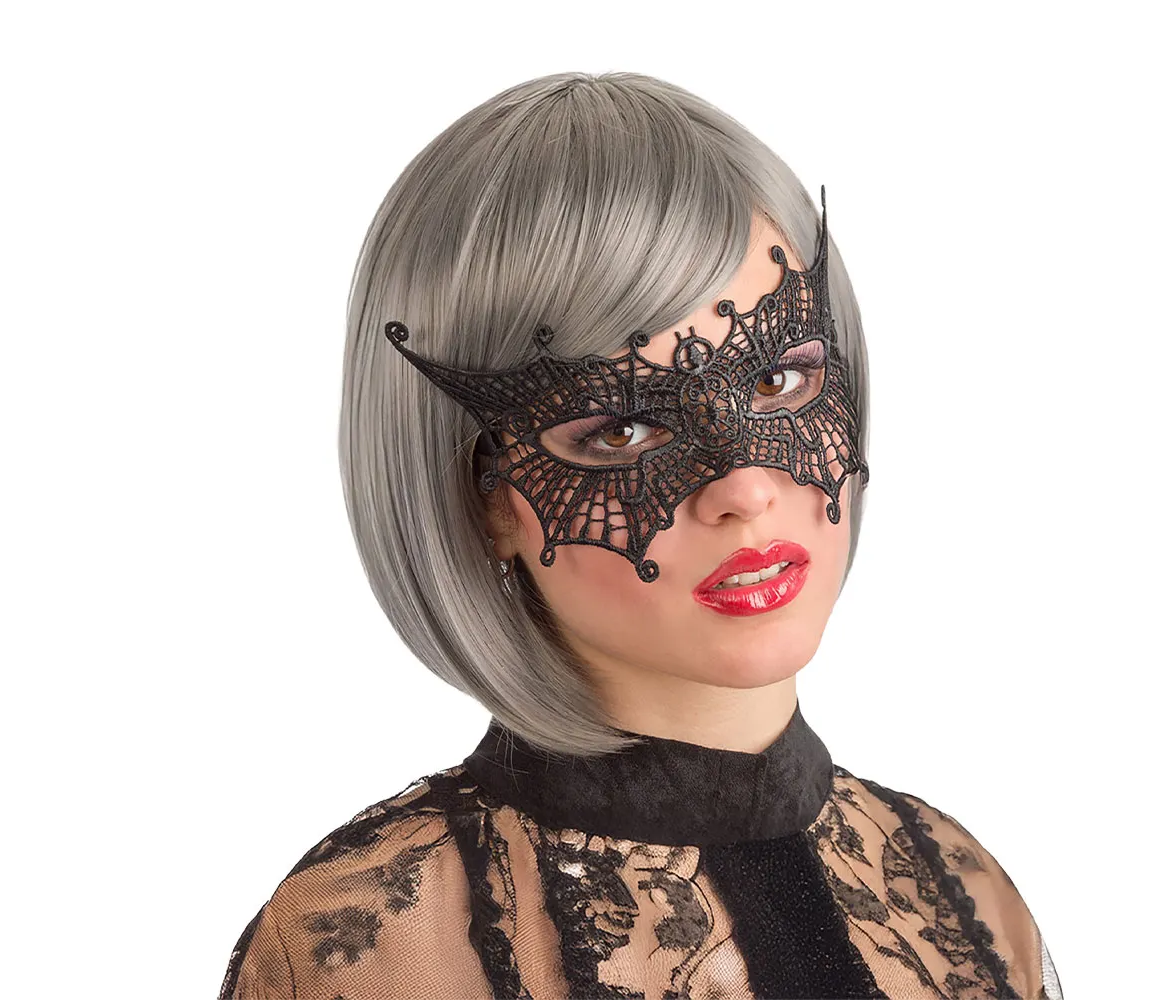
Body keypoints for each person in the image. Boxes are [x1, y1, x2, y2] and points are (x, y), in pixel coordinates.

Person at [219, 70, 1062, 1000]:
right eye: (624, 430)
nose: (745, 489)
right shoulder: (376, 944)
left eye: (777, 382)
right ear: (486, 498)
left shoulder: (962, 895)